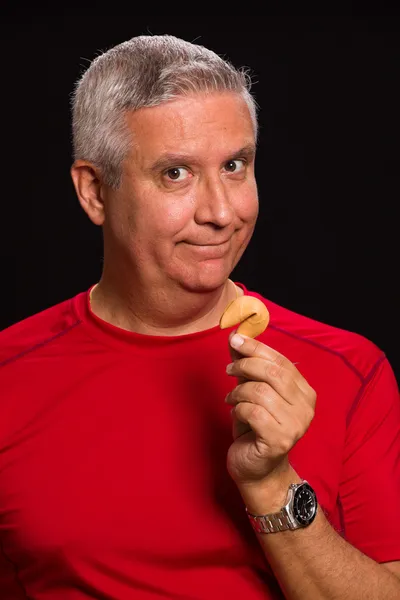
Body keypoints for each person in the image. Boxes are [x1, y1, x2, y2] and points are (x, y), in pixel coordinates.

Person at [0, 34, 399, 600]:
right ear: (94, 191)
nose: (220, 212)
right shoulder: (8, 376)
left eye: (235, 166)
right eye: (175, 174)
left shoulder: (353, 370)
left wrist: (271, 483)